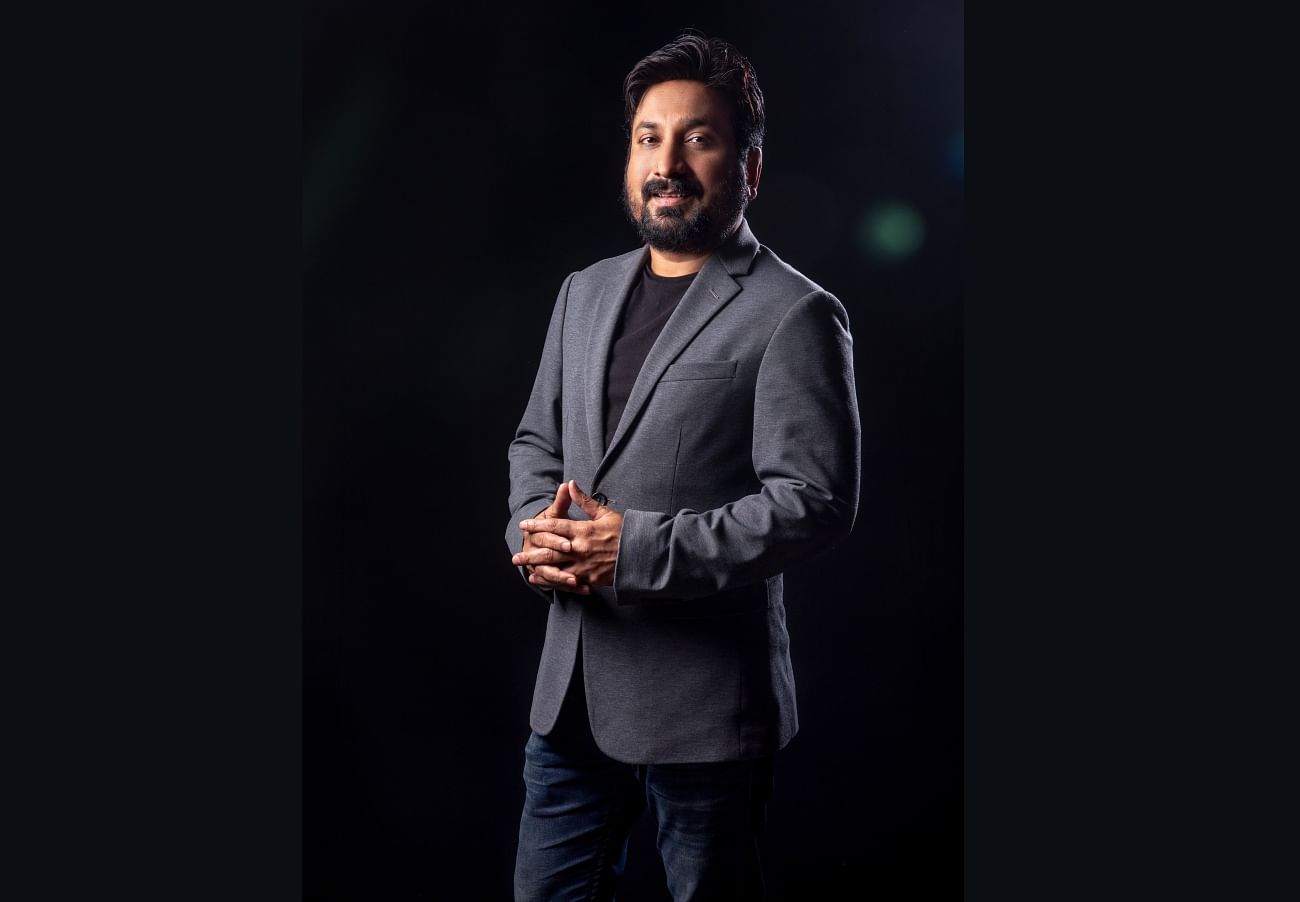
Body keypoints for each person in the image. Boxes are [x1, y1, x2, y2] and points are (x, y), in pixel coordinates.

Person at [505, 32, 861, 901]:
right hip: (571, 699)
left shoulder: (796, 313)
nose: (666, 164)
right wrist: (534, 532)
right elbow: (535, 443)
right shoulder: (583, 292)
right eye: (648, 138)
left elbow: (814, 499)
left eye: (697, 139)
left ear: (750, 166)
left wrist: (631, 550)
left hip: (707, 716)